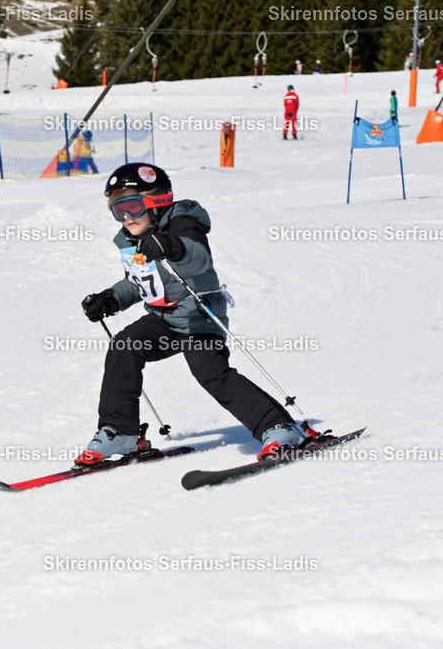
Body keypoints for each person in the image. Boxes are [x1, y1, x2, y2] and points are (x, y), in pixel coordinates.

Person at [77, 163, 318, 466]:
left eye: (131, 206)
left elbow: (198, 260)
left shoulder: (183, 223)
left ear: (157, 201)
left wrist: (172, 246)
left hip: (198, 316)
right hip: (164, 319)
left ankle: (279, 427)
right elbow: (144, 280)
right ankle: (121, 433)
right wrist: (112, 298)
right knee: (123, 347)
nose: (125, 217)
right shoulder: (133, 238)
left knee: (211, 375)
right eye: (117, 210)